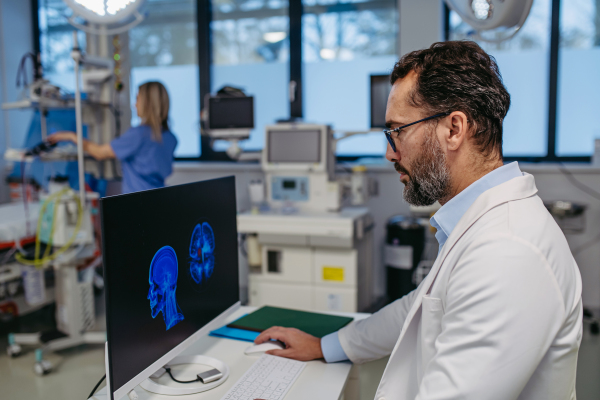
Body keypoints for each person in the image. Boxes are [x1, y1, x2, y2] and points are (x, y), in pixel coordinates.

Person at [254, 41, 582, 400]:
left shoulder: (507, 250)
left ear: (454, 129)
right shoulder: (478, 224)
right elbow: (421, 307)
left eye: (398, 131)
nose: (389, 152)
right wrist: (325, 346)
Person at [48, 81, 177, 194]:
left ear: (148, 103)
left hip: (138, 202)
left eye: (137, 99)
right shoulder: (170, 138)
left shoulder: (139, 135)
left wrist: (71, 136)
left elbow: (99, 152)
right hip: (160, 197)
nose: (135, 104)